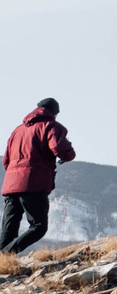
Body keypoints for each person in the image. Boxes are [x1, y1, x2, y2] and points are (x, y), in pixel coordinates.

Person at [2, 99, 75, 253]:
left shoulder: (18, 130)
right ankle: (5, 255)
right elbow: (59, 148)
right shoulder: (51, 126)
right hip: (33, 183)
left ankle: (2, 262)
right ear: (54, 113)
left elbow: (6, 160)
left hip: (11, 184)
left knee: (8, 233)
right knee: (38, 226)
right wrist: (69, 153)